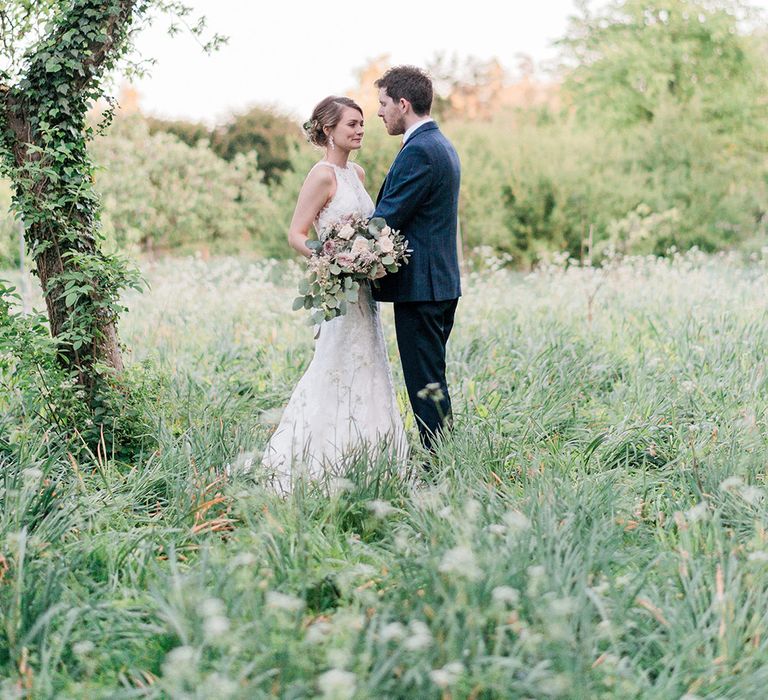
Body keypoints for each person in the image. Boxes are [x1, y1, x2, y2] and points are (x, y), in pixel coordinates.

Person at [262, 96, 407, 494]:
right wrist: (329, 259)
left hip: (364, 294)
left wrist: (374, 255)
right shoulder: (321, 176)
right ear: (329, 129)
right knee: (335, 365)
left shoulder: (356, 173)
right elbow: (296, 234)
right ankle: (319, 457)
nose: (361, 130)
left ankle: (374, 458)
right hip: (339, 290)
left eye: (362, 123)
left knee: (371, 364)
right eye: (352, 124)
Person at [372, 66, 462, 453]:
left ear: (403, 104)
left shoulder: (421, 150)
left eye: (383, 103)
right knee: (432, 381)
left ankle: (440, 464)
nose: (380, 112)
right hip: (438, 284)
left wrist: (339, 248)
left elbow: (388, 217)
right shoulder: (440, 144)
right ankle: (446, 458)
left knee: (425, 384)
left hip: (421, 289)